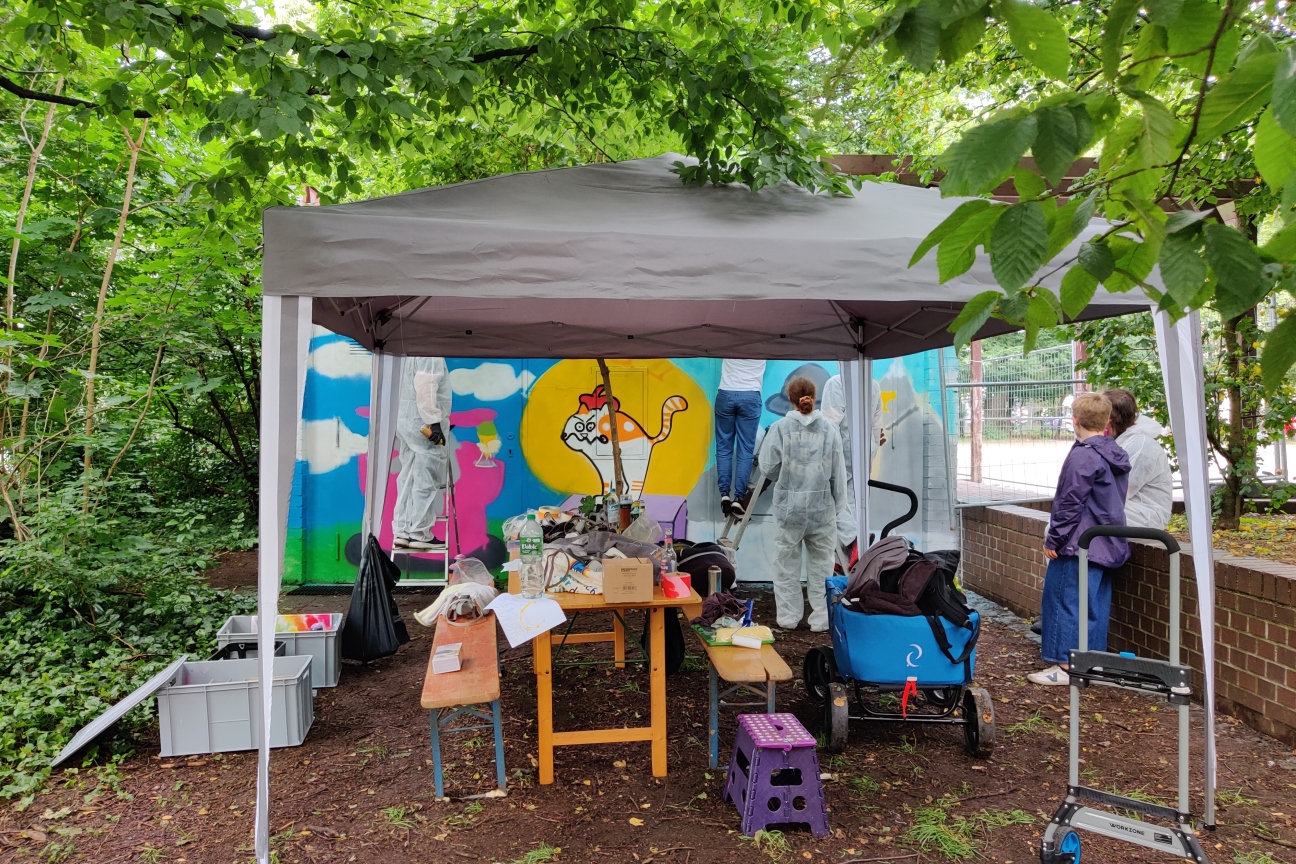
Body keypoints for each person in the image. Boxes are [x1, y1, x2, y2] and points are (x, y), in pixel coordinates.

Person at [1029, 392, 1131, 686]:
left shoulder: (1084, 455)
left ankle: (1065, 665)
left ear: (1074, 420)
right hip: (1106, 540)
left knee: (1064, 601)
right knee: (1094, 605)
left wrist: (1055, 539)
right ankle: (1091, 663)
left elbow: (1069, 502)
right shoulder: (1113, 452)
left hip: (1078, 543)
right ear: (1107, 420)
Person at [759, 377, 848, 631]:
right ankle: (821, 618)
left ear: (790, 399)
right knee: (822, 566)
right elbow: (838, 474)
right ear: (813, 396)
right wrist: (838, 506)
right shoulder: (829, 430)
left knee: (786, 565)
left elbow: (767, 467)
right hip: (822, 508)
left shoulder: (779, 428)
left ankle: (788, 617)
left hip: (789, 509)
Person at [821, 373, 886, 559]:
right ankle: (851, 550)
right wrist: (871, 455)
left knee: (832, 497)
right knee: (852, 499)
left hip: (843, 447)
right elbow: (876, 424)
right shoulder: (872, 384)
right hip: (864, 449)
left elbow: (831, 422)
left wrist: (824, 452)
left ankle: (853, 538)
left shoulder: (836, 383)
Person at [393, 356, 453, 551]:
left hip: (406, 422)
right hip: (424, 425)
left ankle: (402, 532)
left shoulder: (406, 351)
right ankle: (419, 533)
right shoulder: (430, 352)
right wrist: (434, 421)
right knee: (426, 479)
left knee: (408, 477)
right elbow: (426, 385)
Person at [1104, 388, 1173, 530]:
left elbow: (1119, 492)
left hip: (1144, 516)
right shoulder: (1123, 440)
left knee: (1082, 519)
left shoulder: (1140, 445)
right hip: (1128, 509)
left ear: (1109, 420)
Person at [715, 359, 765, 518]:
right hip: (751, 394)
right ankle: (738, 498)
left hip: (726, 393)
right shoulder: (763, 342)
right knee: (745, 450)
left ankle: (724, 495)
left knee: (724, 449)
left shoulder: (730, 339)